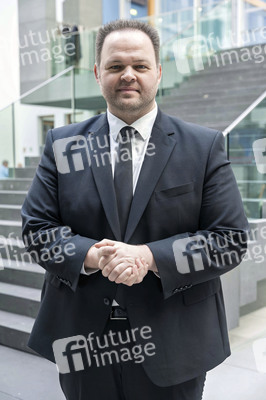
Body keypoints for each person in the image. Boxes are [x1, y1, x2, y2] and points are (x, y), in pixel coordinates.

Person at [21, 19, 249, 400]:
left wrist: (147, 256)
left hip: (174, 344)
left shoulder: (204, 146)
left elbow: (229, 239)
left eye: (140, 66)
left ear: (158, 72)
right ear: (98, 73)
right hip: (84, 345)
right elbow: (37, 229)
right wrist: (93, 255)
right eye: (115, 66)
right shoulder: (62, 145)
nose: (128, 75)